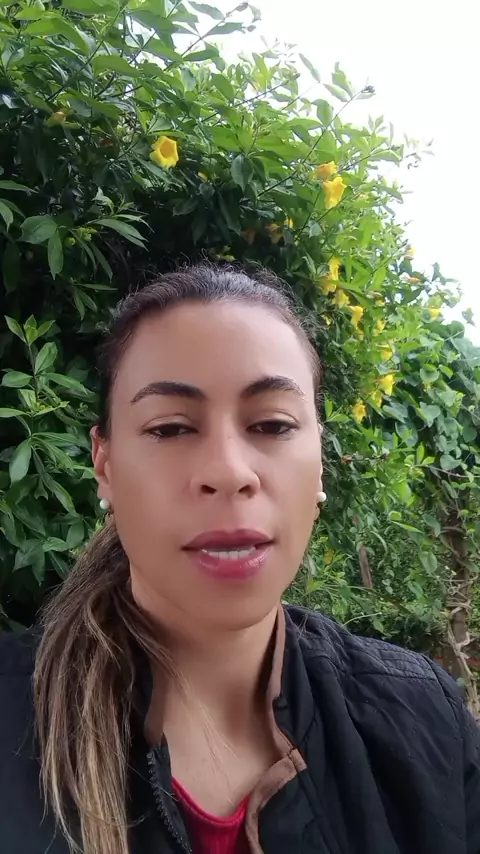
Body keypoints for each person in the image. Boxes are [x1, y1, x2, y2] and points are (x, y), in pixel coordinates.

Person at [0, 263, 479, 854]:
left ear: (321, 463)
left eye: (273, 424)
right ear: (105, 465)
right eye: (171, 429)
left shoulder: (424, 723)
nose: (229, 472)